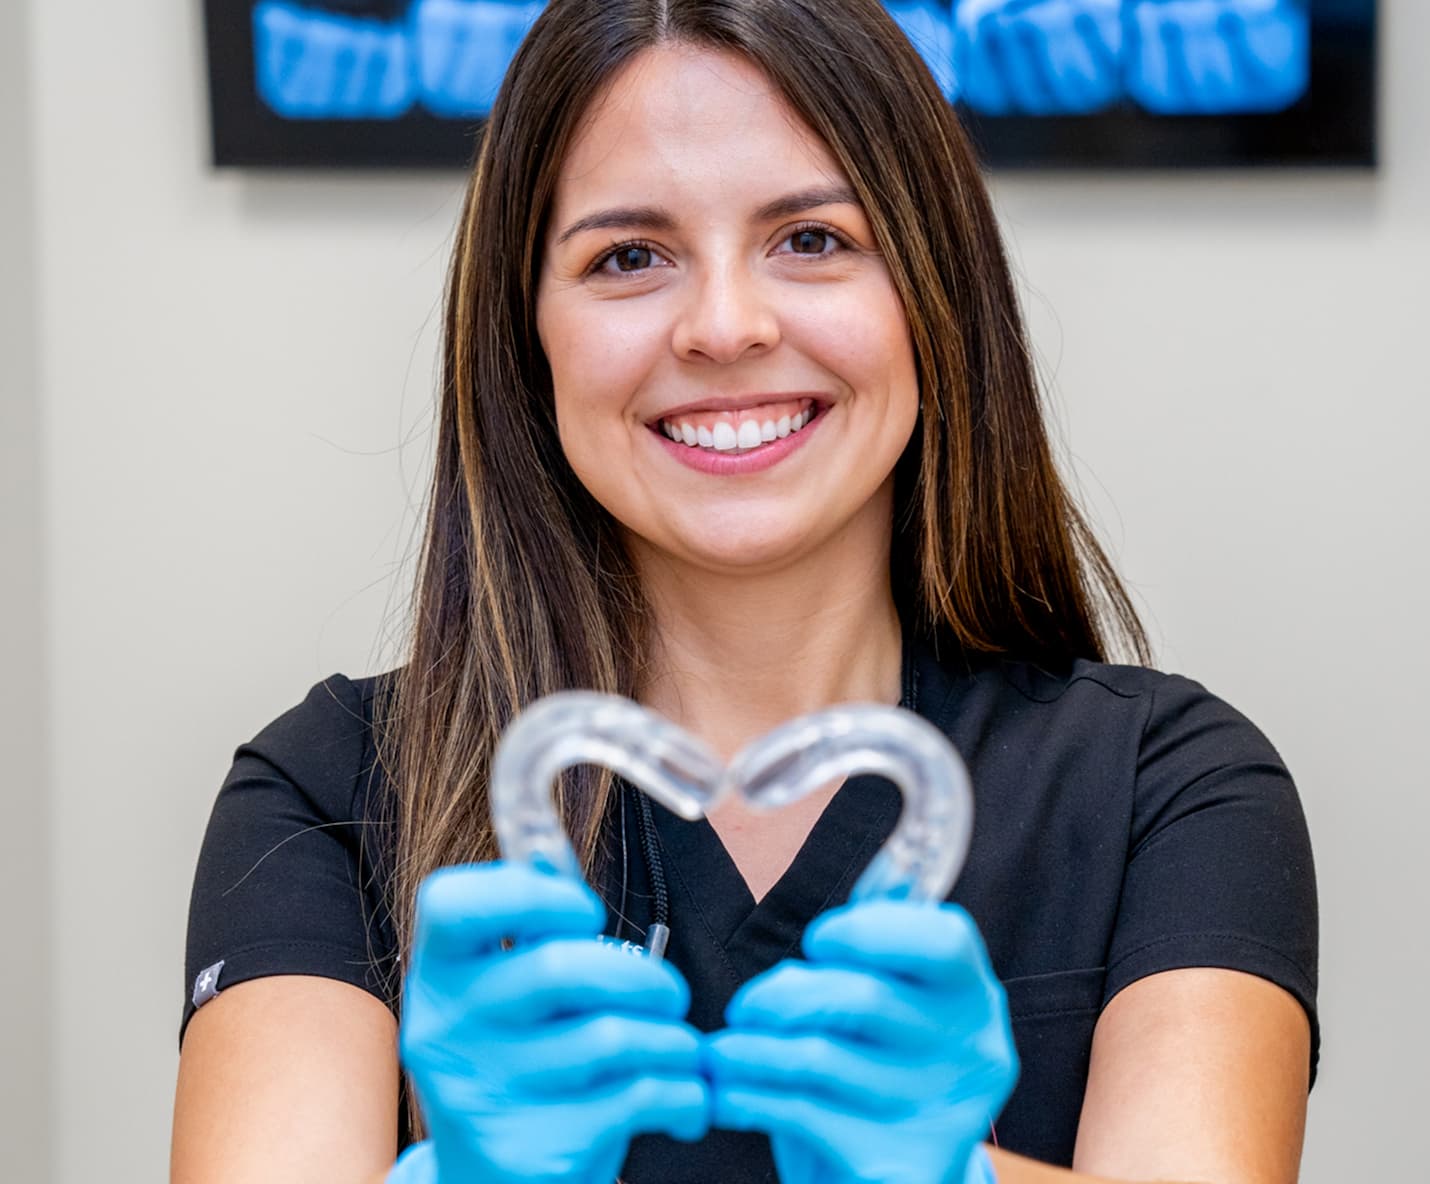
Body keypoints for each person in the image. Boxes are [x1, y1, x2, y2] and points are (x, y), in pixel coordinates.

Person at [171, 1, 1318, 1182]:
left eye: (812, 238)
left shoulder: (1166, 789)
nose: (726, 325)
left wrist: (951, 1175)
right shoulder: (327, 795)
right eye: (628, 256)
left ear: (933, 290)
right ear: (529, 336)